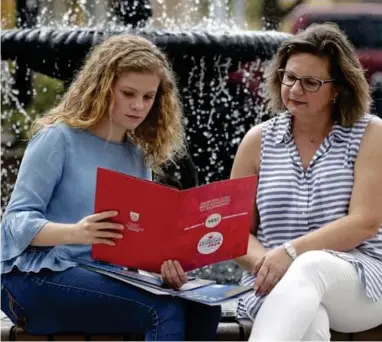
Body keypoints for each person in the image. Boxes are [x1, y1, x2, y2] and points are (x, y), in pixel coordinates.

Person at [1, 34, 221, 341]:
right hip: (36, 278)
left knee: (204, 307)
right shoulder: (58, 138)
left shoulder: (137, 154)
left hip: (100, 277)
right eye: (128, 93)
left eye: (148, 97)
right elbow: (12, 224)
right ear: (102, 88)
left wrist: (164, 266)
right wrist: (75, 232)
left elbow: (133, 239)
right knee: (161, 310)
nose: (138, 105)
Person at [232, 23, 382, 341]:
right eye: (290, 77)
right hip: (270, 283)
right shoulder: (256, 141)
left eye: (311, 82)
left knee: (309, 265)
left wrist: (289, 254)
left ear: (338, 88)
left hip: (361, 281)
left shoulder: (371, 133)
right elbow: (234, 231)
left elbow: (366, 221)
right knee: (309, 319)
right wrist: (269, 266)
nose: (296, 90)